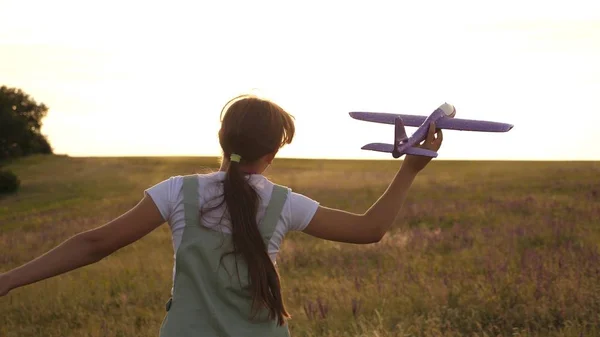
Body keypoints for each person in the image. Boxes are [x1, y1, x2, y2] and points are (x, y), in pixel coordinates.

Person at [0, 94, 443, 336]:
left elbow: (93, 244)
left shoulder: (176, 192)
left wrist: (7, 280)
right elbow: (370, 230)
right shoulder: (283, 202)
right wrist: (410, 168)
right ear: (272, 154)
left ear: (221, 138)